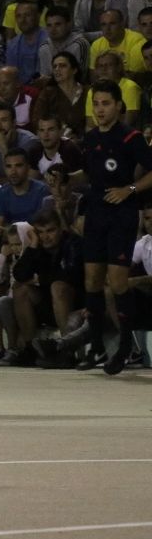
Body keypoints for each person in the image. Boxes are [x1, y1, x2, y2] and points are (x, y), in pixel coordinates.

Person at [77, 79, 152, 374]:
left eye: (106, 103)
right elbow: (89, 176)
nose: (100, 109)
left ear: (119, 106)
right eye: (96, 104)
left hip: (122, 214)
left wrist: (129, 189)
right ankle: (96, 346)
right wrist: (68, 182)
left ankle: (125, 346)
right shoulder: (90, 137)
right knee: (92, 279)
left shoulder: (131, 137)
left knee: (118, 281)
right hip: (96, 213)